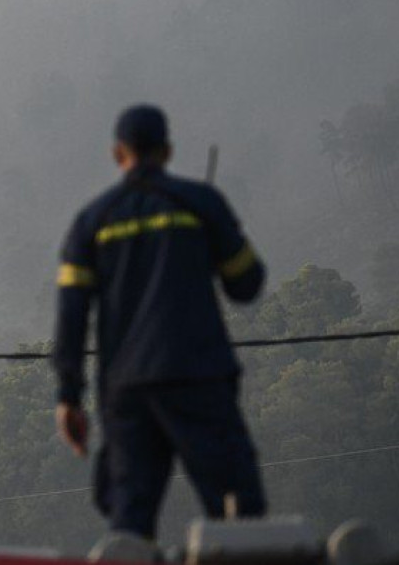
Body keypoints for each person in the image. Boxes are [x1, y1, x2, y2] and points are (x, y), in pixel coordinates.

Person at [51, 104, 267, 539]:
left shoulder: (92, 221)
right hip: (199, 378)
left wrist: (68, 397)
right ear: (167, 151)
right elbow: (246, 283)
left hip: (127, 392)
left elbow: (71, 317)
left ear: (118, 154)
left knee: (129, 521)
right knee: (237, 513)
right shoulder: (200, 204)